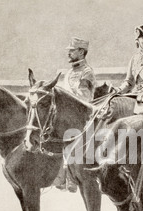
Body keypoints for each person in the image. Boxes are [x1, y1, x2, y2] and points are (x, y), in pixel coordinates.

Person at [54, 37, 96, 193]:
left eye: (72, 50)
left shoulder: (87, 72)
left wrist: (65, 96)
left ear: (81, 52)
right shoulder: (69, 72)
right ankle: (58, 175)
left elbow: (85, 98)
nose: (69, 53)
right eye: (69, 50)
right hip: (67, 115)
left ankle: (70, 177)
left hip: (81, 114)